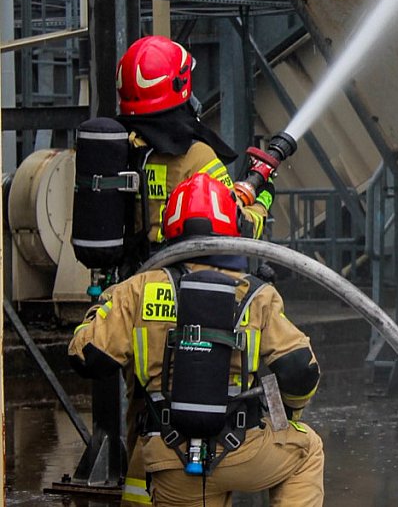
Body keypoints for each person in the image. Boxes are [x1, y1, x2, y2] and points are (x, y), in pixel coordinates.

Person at [68, 174, 323, 506]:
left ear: (170, 229)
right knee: (308, 450)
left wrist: (100, 309)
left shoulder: (137, 289)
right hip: (241, 450)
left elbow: (87, 357)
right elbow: (300, 369)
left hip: (167, 456)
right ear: (230, 228)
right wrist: (290, 415)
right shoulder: (255, 293)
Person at [115, 34, 273, 251]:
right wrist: (262, 202)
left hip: (128, 278)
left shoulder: (117, 145)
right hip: (177, 275)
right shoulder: (195, 156)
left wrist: (237, 195)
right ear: (180, 85)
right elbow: (237, 230)